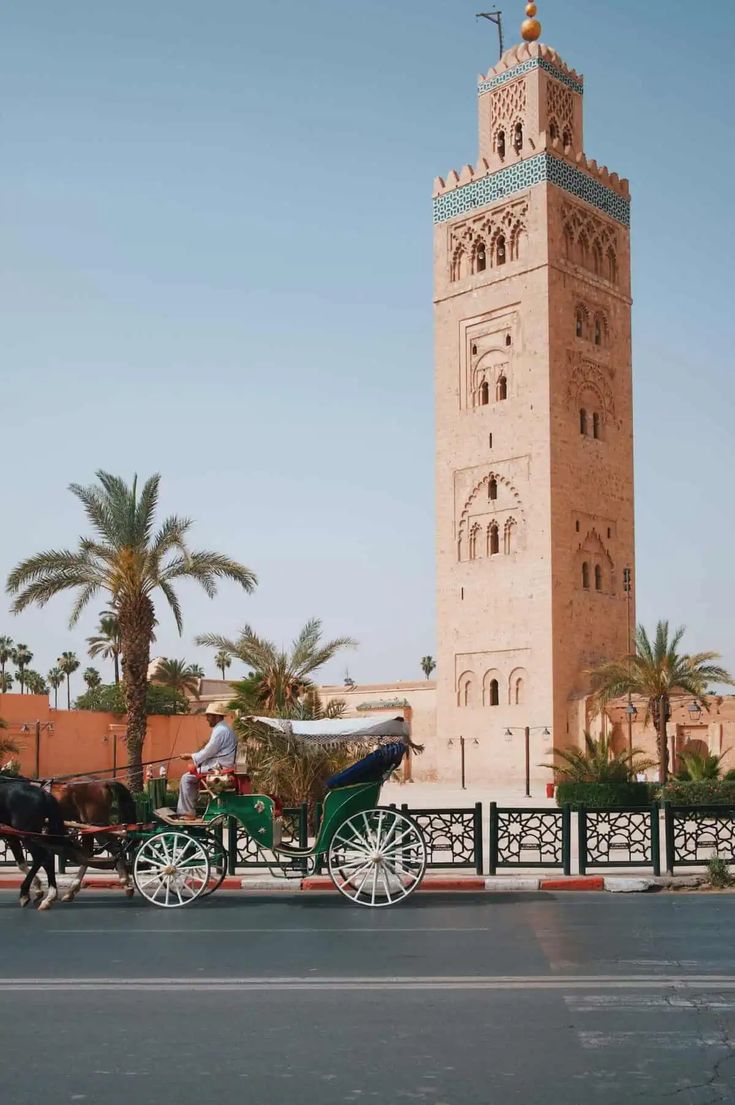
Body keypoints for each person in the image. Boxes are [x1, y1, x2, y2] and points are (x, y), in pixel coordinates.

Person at [176, 702, 238, 820]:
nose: (207, 719)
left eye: (208, 716)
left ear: (216, 716)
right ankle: (190, 810)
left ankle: (187, 813)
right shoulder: (224, 728)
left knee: (186, 779)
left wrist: (190, 756)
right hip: (221, 765)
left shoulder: (220, 730)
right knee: (189, 777)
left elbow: (209, 751)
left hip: (219, 768)